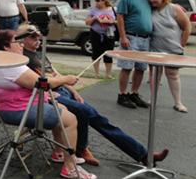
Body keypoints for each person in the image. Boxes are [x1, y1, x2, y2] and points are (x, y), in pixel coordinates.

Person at [18, 24, 169, 167]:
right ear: (22, 39)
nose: (37, 41)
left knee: (97, 118)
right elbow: (41, 83)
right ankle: (82, 148)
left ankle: (142, 154)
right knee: (87, 113)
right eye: (33, 38)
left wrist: (73, 90)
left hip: (60, 91)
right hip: (49, 96)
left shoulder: (39, 53)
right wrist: (63, 83)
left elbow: (55, 73)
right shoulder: (24, 59)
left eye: (38, 37)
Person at [0, 29, 96, 179]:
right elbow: (43, 83)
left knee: (63, 109)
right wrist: (66, 79)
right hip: (18, 110)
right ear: (6, 47)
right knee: (71, 119)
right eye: (17, 42)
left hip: (8, 107)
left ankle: (60, 152)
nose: (21, 45)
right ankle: (70, 167)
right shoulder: (13, 66)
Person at [148, 0, 191, 113]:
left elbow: (187, 27)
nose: (152, 1)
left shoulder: (174, 8)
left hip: (173, 49)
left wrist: (181, 45)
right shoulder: (150, 10)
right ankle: (152, 99)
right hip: (155, 49)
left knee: (173, 75)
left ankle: (178, 102)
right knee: (154, 75)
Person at [115, 0, 152, 109]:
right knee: (127, 67)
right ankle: (122, 94)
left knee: (141, 68)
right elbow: (120, 18)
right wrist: (123, 36)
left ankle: (134, 93)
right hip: (131, 37)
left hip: (145, 38)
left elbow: (163, 2)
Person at [85, 0, 116, 79]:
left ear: (104, 1)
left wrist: (110, 21)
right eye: (95, 0)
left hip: (109, 33)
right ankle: (96, 73)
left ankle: (108, 74)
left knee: (108, 54)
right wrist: (95, 18)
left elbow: (116, 21)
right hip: (96, 33)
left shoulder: (111, 9)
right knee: (96, 53)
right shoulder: (93, 10)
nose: (96, 2)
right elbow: (87, 22)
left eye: (98, 0)